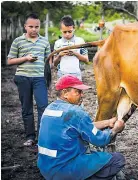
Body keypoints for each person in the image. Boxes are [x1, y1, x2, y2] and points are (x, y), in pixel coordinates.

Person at [37, 75, 126, 180]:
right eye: (78, 92)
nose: (82, 95)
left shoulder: (50, 108)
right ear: (65, 93)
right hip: (65, 170)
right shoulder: (76, 112)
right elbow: (100, 140)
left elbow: (78, 127)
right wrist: (115, 129)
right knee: (117, 159)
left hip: (46, 167)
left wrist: (107, 122)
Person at [7, 13, 50, 147]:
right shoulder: (18, 41)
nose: (34, 29)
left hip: (39, 78)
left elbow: (49, 61)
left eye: (36, 27)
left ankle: (42, 137)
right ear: (25, 27)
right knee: (27, 108)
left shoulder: (44, 41)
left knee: (43, 106)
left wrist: (58, 59)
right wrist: (25, 58)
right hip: (23, 78)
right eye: (31, 26)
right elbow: (9, 61)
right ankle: (30, 137)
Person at [53, 15, 89, 80]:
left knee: (75, 90)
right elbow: (54, 63)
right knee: (64, 90)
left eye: (69, 31)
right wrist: (59, 56)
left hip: (76, 74)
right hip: (62, 74)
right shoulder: (57, 43)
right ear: (61, 30)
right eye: (64, 32)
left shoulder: (80, 41)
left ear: (74, 28)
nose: (67, 34)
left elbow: (86, 60)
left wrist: (75, 54)